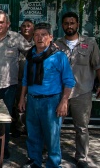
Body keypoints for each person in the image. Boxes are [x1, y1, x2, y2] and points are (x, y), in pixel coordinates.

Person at [18, 23, 76, 168]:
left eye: (43, 35)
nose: (39, 38)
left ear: (50, 37)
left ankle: (53, 164)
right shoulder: (30, 56)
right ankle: (34, 161)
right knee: (32, 134)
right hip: (32, 100)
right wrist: (22, 99)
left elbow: (69, 81)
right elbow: (25, 79)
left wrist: (64, 102)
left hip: (51, 102)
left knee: (52, 136)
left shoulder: (59, 57)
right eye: (36, 35)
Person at [54, 12, 100, 168]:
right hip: (60, 92)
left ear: (77, 24)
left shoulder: (89, 43)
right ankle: (52, 153)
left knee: (81, 127)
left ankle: (81, 157)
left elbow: (99, 65)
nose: (69, 26)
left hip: (82, 92)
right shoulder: (56, 44)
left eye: (72, 23)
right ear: (62, 26)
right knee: (55, 125)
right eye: (66, 23)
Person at [0, 10, 32, 159]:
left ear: (8, 24)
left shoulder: (16, 38)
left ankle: (3, 146)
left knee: (6, 119)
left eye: (1, 22)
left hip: (9, 86)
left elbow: (31, 54)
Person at [13, 19, 35, 137]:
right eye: (23, 26)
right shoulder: (15, 42)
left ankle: (29, 128)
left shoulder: (37, 43)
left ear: (33, 29)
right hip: (18, 79)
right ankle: (19, 127)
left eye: (29, 26)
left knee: (30, 106)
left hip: (32, 82)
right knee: (18, 105)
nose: (26, 28)